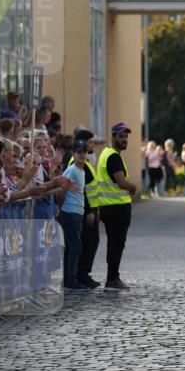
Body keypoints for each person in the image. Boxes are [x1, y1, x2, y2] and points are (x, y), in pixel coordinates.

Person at [93, 122, 138, 290]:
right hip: (117, 208)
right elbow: (120, 182)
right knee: (117, 244)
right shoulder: (114, 157)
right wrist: (132, 186)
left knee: (113, 244)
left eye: (126, 136)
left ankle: (112, 277)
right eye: (121, 136)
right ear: (113, 137)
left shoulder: (105, 153)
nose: (124, 139)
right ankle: (113, 279)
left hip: (107, 207)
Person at [58, 141, 90, 292]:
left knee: (72, 247)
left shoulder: (81, 170)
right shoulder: (72, 171)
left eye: (84, 151)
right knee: (75, 247)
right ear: (73, 153)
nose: (82, 154)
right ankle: (71, 280)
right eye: (79, 151)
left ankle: (69, 279)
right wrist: (63, 207)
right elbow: (62, 189)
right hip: (70, 212)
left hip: (76, 211)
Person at [72, 130, 101, 289]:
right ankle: (80, 274)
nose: (93, 145)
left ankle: (85, 273)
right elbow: (81, 189)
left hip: (91, 209)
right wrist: (89, 211)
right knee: (85, 243)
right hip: (84, 210)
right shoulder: (76, 163)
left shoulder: (87, 163)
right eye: (90, 142)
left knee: (92, 242)